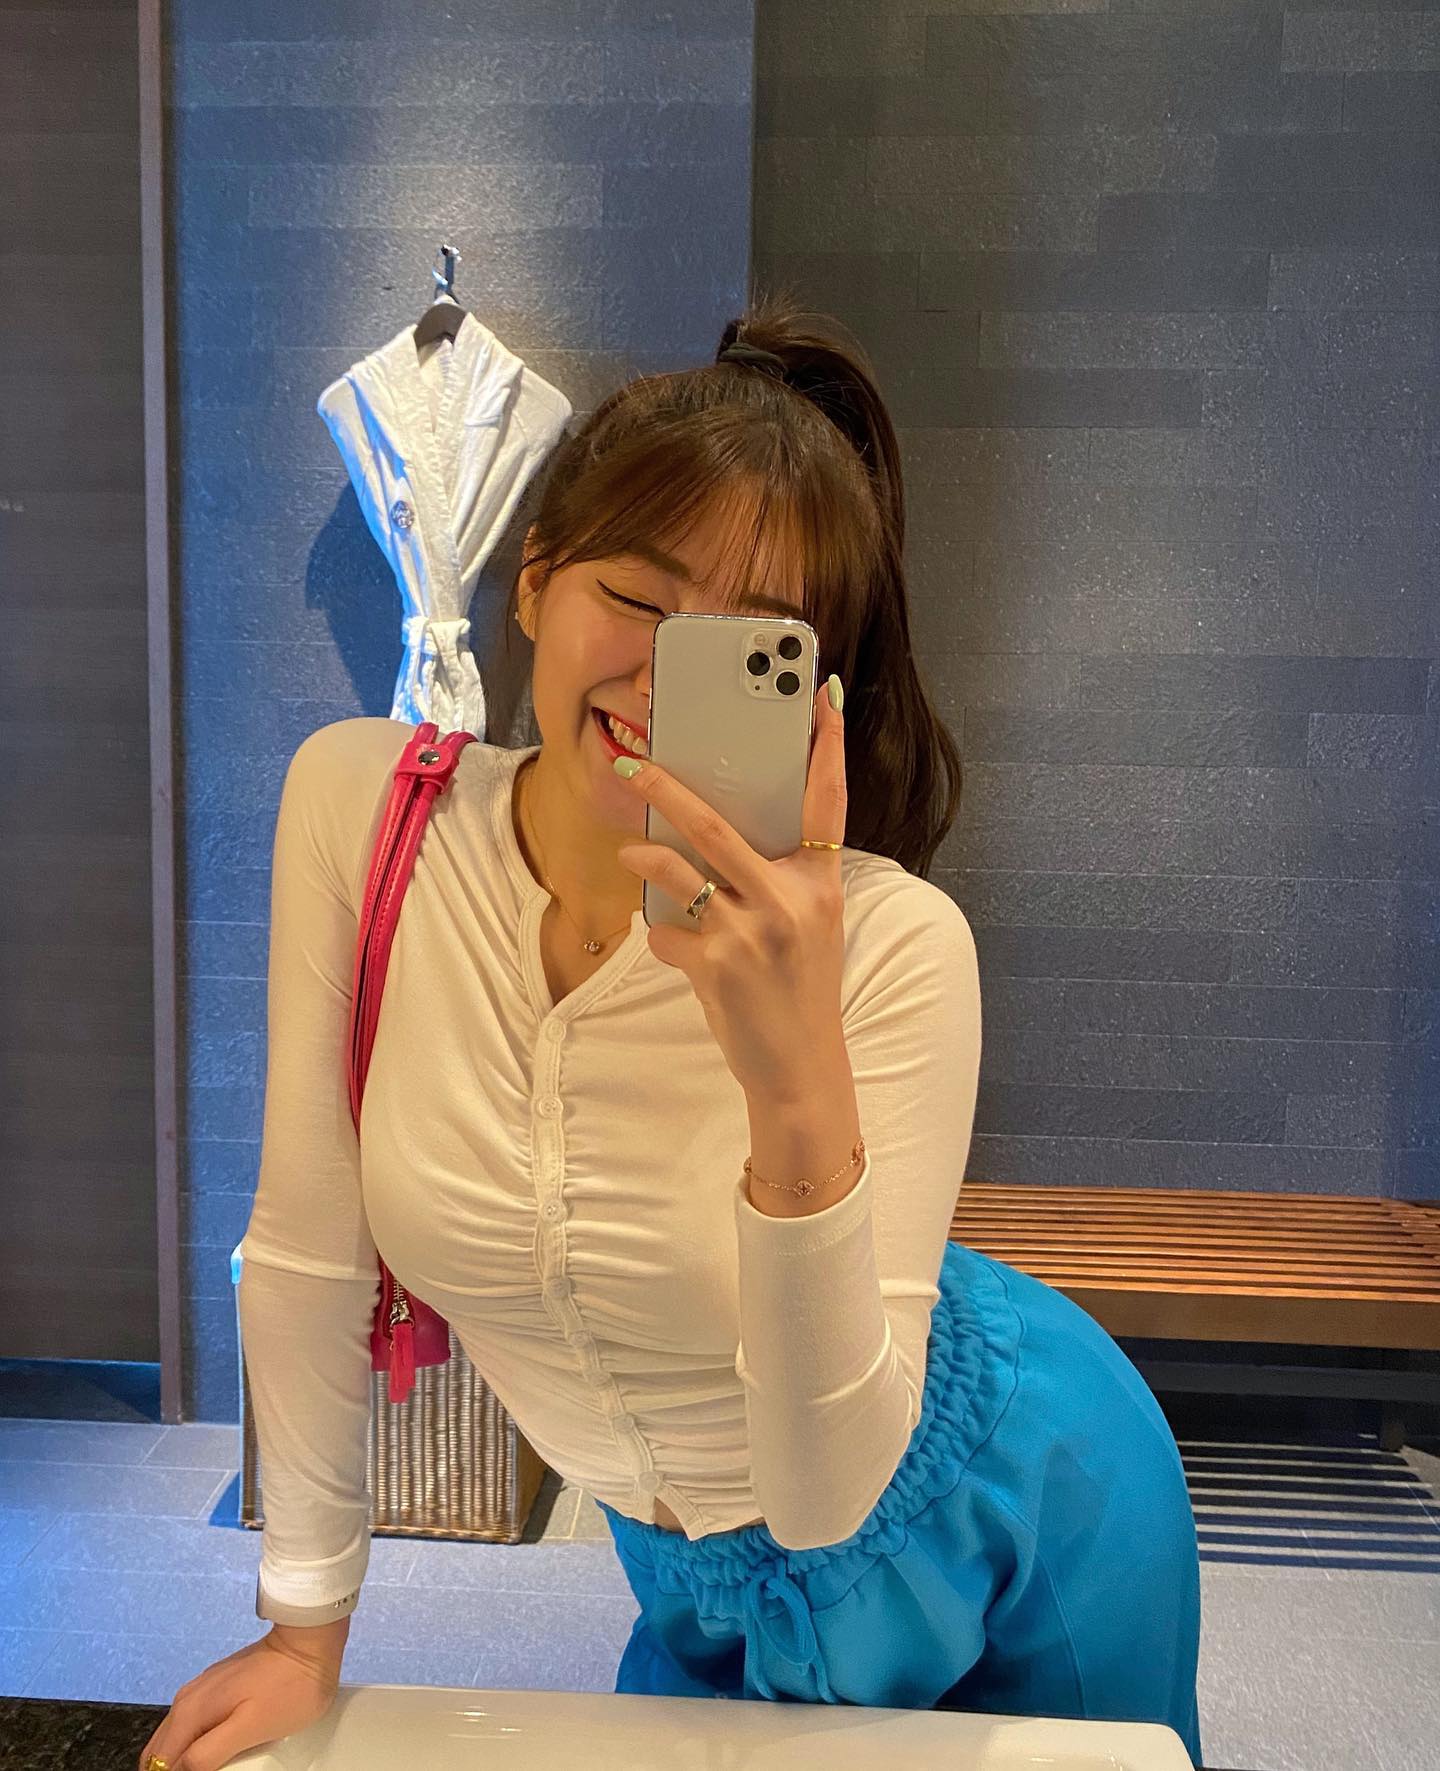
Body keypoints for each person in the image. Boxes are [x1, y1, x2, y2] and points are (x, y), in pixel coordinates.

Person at [139, 290, 1203, 1771]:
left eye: (747, 646)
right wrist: (302, 1630)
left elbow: (828, 1495)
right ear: (534, 578)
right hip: (679, 1560)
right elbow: (310, 1249)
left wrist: (790, 1067)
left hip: (999, 1501)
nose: (661, 677)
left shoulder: (895, 945)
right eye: (637, 601)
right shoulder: (360, 815)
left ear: (813, 690)